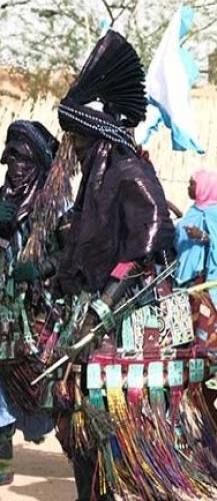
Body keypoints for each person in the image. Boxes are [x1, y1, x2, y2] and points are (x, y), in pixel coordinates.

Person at [52, 30, 217, 500]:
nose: (75, 149)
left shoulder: (129, 173)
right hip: (105, 314)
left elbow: (146, 242)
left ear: (100, 138)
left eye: (80, 140)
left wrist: (106, 301)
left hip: (141, 319)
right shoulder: (97, 182)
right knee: (87, 430)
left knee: (131, 434)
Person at [0, 120, 59, 486]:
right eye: (9, 161)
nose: (13, 169)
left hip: (40, 316)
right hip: (3, 315)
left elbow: (71, 255)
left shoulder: (53, 209)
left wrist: (40, 268)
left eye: (22, 161)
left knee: (44, 387)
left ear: (38, 164)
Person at [174, 168, 217, 350]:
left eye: (193, 183)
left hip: (203, 284)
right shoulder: (192, 212)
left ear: (205, 187)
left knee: (203, 333)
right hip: (183, 281)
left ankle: (206, 375)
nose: (188, 187)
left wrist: (203, 236)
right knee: (182, 334)